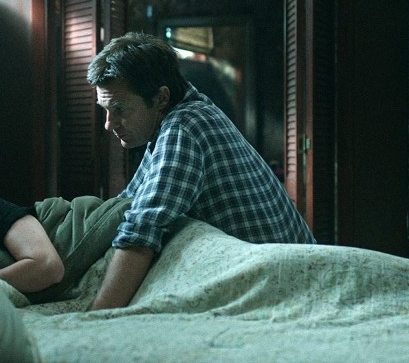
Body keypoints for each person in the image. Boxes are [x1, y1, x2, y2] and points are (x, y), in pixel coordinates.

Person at [86, 32, 316, 310]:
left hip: (290, 286)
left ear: (161, 98)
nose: (109, 124)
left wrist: (98, 314)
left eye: (120, 109)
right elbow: (127, 203)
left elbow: (142, 228)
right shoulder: (174, 122)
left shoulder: (185, 125)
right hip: (286, 270)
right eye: (105, 110)